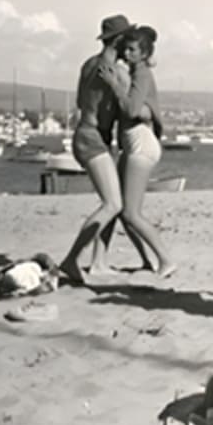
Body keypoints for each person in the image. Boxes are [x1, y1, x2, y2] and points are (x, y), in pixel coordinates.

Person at [58, 15, 135, 285]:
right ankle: (72, 259)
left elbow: (82, 102)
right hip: (95, 138)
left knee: (111, 204)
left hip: (85, 132)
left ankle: (99, 262)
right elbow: (130, 106)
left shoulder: (89, 65)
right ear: (119, 40)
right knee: (114, 203)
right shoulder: (116, 72)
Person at [96, 25, 177, 277]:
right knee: (119, 207)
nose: (127, 53)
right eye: (125, 49)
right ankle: (140, 260)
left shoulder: (142, 74)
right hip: (134, 142)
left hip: (141, 143)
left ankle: (165, 259)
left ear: (143, 54)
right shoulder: (136, 72)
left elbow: (131, 110)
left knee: (131, 211)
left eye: (132, 50)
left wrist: (113, 84)